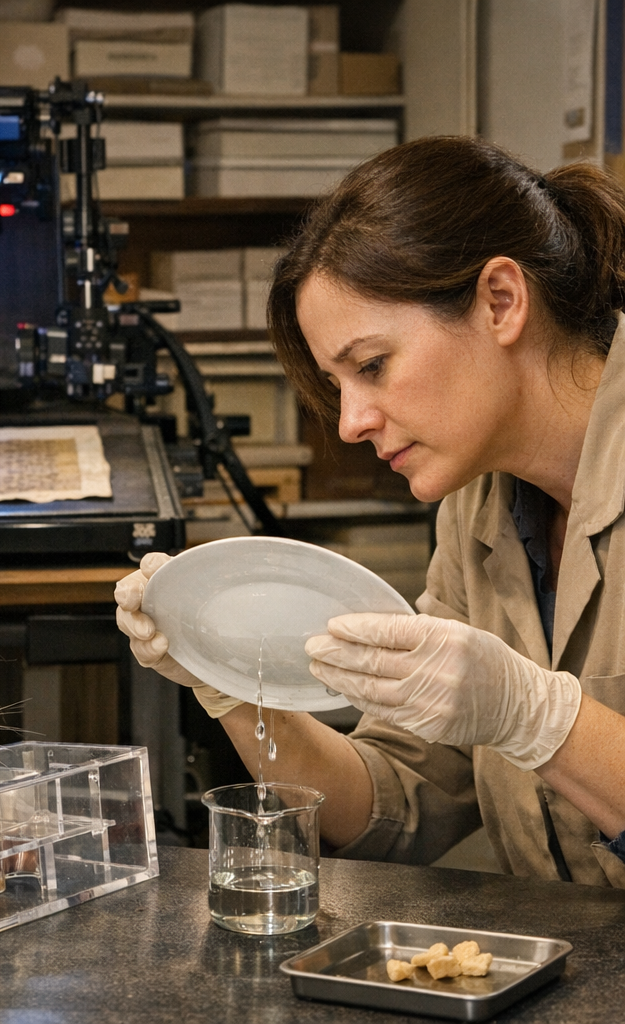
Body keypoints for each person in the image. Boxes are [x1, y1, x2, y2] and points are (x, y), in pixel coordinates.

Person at [116, 136, 625, 887]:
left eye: (373, 366)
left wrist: (538, 718)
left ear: (501, 301)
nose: (350, 421)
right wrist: (221, 676)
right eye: (337, 382)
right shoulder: (479, 503)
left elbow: (517, 721)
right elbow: (394, 807)